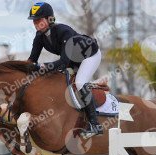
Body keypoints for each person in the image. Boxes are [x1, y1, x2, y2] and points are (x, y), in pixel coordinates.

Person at [27, 2, 103, 138]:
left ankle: (95, 124)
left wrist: (42, 67)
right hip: (74, 60)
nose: (35, 23)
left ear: (49, 19)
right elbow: (31, 61)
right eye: (34, 20)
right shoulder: (39, 37)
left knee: (80, 83)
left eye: (39, 20)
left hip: (90, 55)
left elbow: (63, 63)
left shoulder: (63, 31)